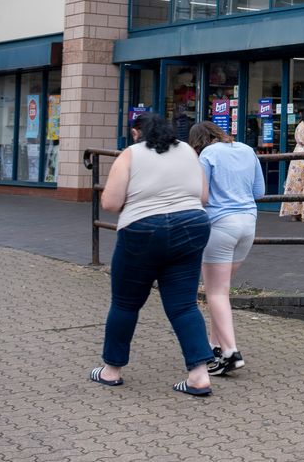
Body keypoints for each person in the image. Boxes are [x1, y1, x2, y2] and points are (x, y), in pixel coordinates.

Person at [90, 112, 214, 397]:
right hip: (192, 227)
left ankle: (111, 371)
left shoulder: (130, 154)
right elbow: (204, 197)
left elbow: (110, 203)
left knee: (125, 304)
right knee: (184, 305)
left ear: (137, 133)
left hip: (143, 231)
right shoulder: (187, 151)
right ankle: (199, 375)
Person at [189, 121, 263, 377]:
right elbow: (259, 191)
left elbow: (202, 196)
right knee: (219, 292)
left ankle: (231, 352)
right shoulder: (246, 149)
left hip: (220, 225)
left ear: (198, 142)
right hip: (248, 224)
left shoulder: (207, 154)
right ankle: (214, 348)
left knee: (215, 293)